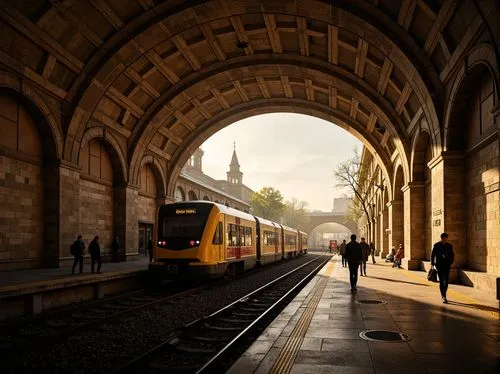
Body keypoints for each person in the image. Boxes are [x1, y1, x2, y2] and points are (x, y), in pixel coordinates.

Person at [431, 232, 454, 303]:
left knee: (446, 282)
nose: (445, 240)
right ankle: (443, 296)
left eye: (446, 239)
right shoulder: (437, 245)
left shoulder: (449, 246)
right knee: (441, 281)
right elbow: (432, 255)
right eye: (444, 239)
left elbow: (452, 255)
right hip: (439, 265)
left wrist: (451, 262)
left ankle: (444, 293)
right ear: (441, 238)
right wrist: (432, 264)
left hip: (447, 265)